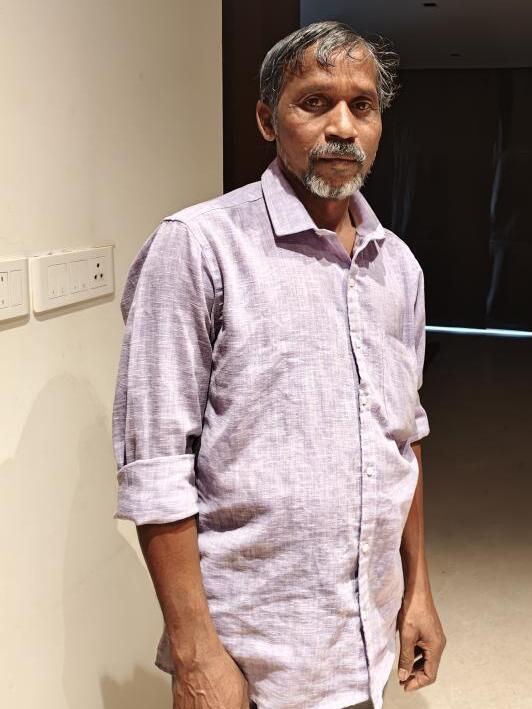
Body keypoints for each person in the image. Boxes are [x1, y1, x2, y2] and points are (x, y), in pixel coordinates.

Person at [111, 19, 446, 709]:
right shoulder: (199, 247)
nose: (343, 127)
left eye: (362, 105)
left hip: (366, 637)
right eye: (315, 102)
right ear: (268, 119)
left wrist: (418, 590)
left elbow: (403, 437)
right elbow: (156, 465)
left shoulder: (399, 266)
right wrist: (195, 654)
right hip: (251, 652)